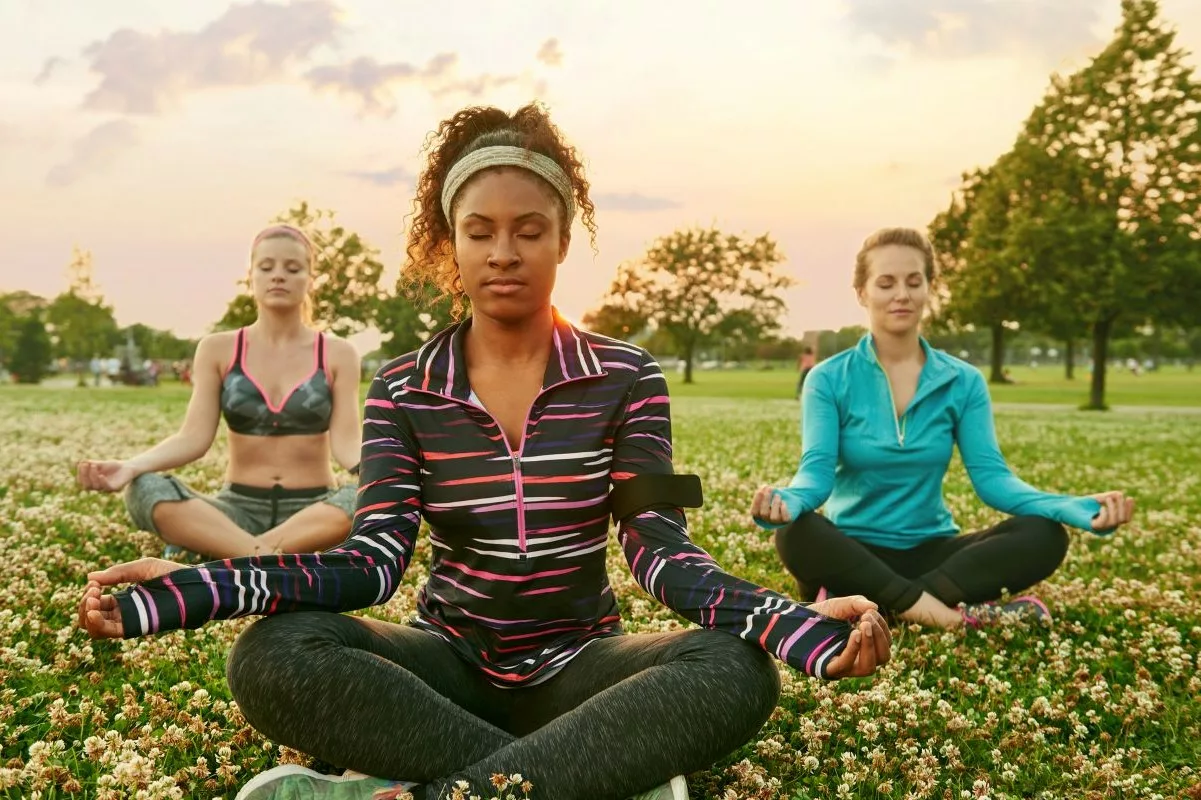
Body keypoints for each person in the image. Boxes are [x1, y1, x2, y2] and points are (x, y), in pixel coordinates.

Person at [77, 103, 891, 800]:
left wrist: (787, 624)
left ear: (563, 241)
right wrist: (195, 587)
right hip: (446, 663)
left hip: (581, 668)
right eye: (481, 232)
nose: (504, 251)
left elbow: (662, 553)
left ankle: (428, 787)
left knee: (733, 667)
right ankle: (580, 778)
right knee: (274, 651)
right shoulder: (403, 388)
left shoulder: (630, 377)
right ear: (451, 247)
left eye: (529, 231)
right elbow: (371, 563)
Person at [752, 227, 1134, 630]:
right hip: (852, 549)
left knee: (1045, 535)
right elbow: (816, 475)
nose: (902, 293)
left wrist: (1071, 508)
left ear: (928, 289)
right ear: (863, 293)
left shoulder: (963, 381)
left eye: (914, 282)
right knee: (796, 532)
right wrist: (788, 503)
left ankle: (872, 606)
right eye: (886, 283)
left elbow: (994, 481)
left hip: (933, 550)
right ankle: (948, 618)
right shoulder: (827, 378)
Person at [75, 225, 363, 560]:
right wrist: (130, 466)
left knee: (369, 495)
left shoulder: (338, 353)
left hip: (314, 513)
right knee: (144, 488)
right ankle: (270, 558)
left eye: (293, 268)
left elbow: (347, 445)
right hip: (234, 511)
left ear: (310, 279)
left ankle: (236, 556)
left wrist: (386, 479)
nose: (278, 276)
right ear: (250, 277)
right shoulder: (218, 349)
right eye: (266, 267)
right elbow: (193, 438)